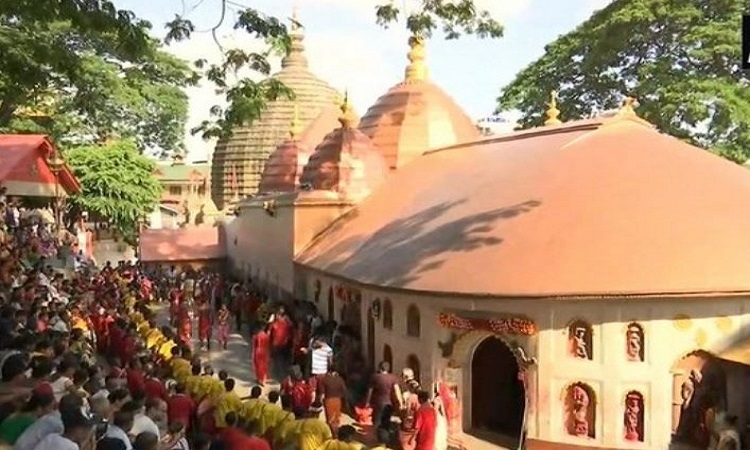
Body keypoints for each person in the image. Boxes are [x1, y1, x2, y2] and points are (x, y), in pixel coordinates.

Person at [31, 409, 96, 450]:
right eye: (88, 429)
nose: (89, 433)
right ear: (78, 430)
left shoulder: (51, 436)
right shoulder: (72, 447)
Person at [366, 362, 402, 429]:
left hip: (377, 403)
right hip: (389, 404)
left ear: (380, 368)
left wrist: (367, 402)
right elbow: (397, 391)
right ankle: (385, 436)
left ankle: (377, 436)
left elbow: (370, 391)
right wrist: (401, 402)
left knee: (377, 421)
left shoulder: (375, 377)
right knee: (386, 421)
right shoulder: (393, 378)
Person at [316, 368, 347, 434]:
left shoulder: (325, 379)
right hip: (338, 400)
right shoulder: (340, 379)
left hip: (329, 400)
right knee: (336, 419)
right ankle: (336, 434)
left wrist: (319, 401)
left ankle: (332, 434)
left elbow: (322, 393)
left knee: (330, 419)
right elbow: (344, 391)